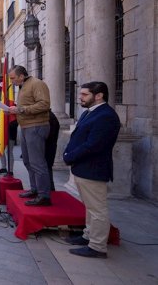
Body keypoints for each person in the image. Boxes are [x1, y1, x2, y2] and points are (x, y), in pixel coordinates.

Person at [63, 81, 120, 259]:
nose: (80, 97)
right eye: (80, 94)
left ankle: (97, 246)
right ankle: (88, 235)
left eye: (84, 95)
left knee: (97, 209)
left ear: (99, 95)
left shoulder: (106, 116)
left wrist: (70, 156)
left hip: (93, 168)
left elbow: (93, 145)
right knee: (90, 207)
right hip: (83, 168)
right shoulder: (91, 112)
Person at [8, 65, 52, 206]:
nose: (12, 81)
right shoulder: (23, 86)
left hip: (36, 126)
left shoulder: (37, 84)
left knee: (37, 162)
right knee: (27, 161)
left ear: (21, 76)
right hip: (26, 127)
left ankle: (44, 195)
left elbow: (44, 104)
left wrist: (20, 109)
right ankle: (35, 189)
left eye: (13, 78)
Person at [45, 110, 60, 190]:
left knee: (47, 169)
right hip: (49, 147)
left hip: (48, 148)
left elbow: (49, 135)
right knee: (47, 169)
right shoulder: (49, 116)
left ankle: (49, 190)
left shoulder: (49, 117)